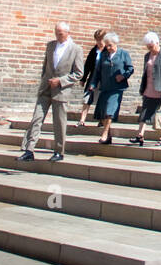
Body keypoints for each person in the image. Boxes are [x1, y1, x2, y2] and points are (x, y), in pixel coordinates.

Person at [17, 21, 84, 163]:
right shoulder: (50, 45)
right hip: (46, 88)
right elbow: (45, 66)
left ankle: (59, 151)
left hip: (61, 91)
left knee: (59, 122)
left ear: (67, 33)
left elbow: (78, 73)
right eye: (56, 33)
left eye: (60, 34)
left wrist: (61, 81)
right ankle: (29, 150)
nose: (58, 36)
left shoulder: (76, 49)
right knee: (36, 118)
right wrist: (44, 81)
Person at [128, 32, 161, 147]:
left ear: (157, 43)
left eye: (152, 46)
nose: (150, 49)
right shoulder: (147, 55)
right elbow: (145, 72)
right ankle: (140, 135)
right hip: (149, 87)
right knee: (144, 112)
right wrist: (142, 87)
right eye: (148, 47)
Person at [90, 33, 134, 144]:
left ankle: (104, 134)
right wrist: (93, 84)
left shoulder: (123, 54)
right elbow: (97, 71)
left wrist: (123, 75)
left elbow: (130, 68)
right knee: (104, 112)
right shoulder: (103, 55)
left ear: (115, 43)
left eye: (110, 45)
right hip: (105, 87)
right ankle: (108, 136)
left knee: (110, 111)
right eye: (107, 45)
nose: (108, 48)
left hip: (117, 88)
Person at [78, 27, 106, 127]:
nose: (99, 42)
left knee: (102, 99)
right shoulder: (94, 50)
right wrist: (83, 78)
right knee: (87, 97)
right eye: (97, 40)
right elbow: (88, 65)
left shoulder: (108, 50)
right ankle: (82, 120)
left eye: (100, 39)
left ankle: (102, 120)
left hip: (104, 78)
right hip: (93, 76)